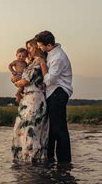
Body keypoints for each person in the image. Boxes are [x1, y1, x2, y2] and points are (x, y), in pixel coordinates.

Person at [34, 30, 73, 163]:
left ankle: (64, 162)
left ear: (49, 45)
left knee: (59, 128)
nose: (39, 48)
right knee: (54, 127)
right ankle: (52, 159)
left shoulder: (58, 58)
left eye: (40, 45)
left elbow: (49, 80)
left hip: (58, 92)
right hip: (54, 93)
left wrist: (43, 64)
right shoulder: (51, 53)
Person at [11, 39, 49, 162]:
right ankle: (25, 158)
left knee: (31, 128)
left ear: (37, 48)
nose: (28, 51)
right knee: (23, 128)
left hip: (34, 99)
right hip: (27, 98)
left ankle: (33, 158)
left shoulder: (38, 63)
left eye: (30, 48)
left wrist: (15, 82)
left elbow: (26, 81)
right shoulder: (31, 63)